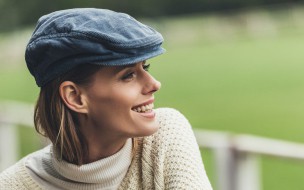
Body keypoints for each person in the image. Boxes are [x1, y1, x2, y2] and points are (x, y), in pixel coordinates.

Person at [0, 8, 212, 190]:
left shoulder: (165, 136)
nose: (154, 84)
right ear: (75, 97)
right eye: (128, 75)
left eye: (145, 67)